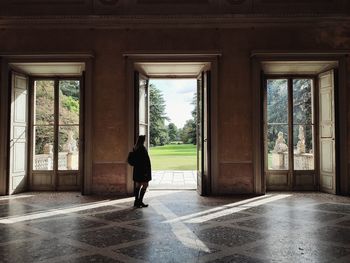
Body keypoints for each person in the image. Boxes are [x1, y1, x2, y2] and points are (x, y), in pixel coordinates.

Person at [132, 135, 152, 208]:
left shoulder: (135, 147)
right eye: (144, 139)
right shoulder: (142, 148)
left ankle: (136, 201)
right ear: (143, 140)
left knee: (138, 185)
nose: (145, 140)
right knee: (145, 185)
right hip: (143, 171)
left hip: (137, 170)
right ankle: (139, 201)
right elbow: (144, 161)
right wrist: (146, 172)